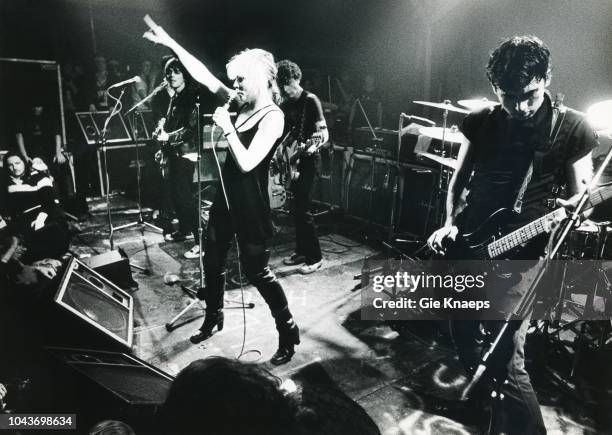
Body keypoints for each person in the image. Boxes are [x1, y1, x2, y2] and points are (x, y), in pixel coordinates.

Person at [427, 36, 597, 434]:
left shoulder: (571, 127)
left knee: (506, 357)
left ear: (546, 80)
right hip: (470, 242)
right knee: (462, 330)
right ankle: (484, 409)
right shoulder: (482, 121)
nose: (519, 106)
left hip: (525, 256)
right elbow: (458, 181)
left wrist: (576, 210)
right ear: (494, 89)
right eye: (508, 96)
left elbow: (581, 200)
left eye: (530, 95)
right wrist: (450, 222)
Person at [144, 16, 300, 365]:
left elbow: (247, 163)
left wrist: (227, 127)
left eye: (242, 80)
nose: (236, 85)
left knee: (257, 271)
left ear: (259, 78)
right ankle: (214, 317)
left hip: (251, 203)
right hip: (225, 199)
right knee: (212, 260)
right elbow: (203, 74)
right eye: (235, 81)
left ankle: (287, 330)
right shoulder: (240, 103)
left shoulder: (273, 116)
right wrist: (171, 42)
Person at [276, 60, 328, 274]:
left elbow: (323, 133)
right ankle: (301, 251)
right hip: (293, 162)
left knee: (304, 210)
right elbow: (287, 134)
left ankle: (315, 257)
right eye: (281, 85)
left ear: (296, 79)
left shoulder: (311, 100)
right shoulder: (286, 104)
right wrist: (281, 151)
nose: (285, 89)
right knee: (296, 210)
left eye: (287, 83)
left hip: (310, 161)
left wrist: (314, 146)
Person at [152, 56, 201, 259]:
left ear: (185, 74)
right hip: (174, 152)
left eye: (176, 71)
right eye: (168, 71)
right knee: (175, 193)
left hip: (187, 153)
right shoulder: (176, 98)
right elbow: (172, 126)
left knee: (184, 196)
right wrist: (162, 145)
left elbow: (191, 129)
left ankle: (201, 241)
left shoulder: (191, 96)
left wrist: (168, 136)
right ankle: (185, 230)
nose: (171, 75)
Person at [0, 152, 70, 264]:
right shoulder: (5, 184)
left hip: (46, 212)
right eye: (10, 165)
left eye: (17, 163)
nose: (14, 167)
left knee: (53, 229)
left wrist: (40, 220)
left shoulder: (38, 177)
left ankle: (51, 257)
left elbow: (49, 202)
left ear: (24, 162)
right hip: (23, 219)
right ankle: (45, 259)